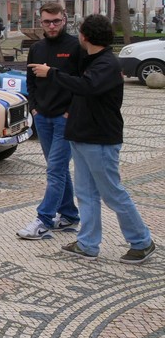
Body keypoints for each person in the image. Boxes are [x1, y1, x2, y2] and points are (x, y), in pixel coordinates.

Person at [28, 14, 156, 263]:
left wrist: (51, 73)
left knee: (112, 193)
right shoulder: (91, 59)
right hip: (81, 136)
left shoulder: (107, 64)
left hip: (101, 140)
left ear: (85, 37)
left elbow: (86, 86)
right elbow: (78, 83)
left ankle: (142, 241)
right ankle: (88, 243)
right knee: (86, 194)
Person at [17, 2, 81, 241]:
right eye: (47, 22)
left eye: (56, 21)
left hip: (65, 119)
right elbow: (30, 81)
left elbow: (82, 83)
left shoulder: (75, 47)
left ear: (64, 19)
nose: (51, 26)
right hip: (42, 117)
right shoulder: (37, 48)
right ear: (40, 21)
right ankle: (69, 215)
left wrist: (70, 111)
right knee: (59, 169)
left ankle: (43, 220)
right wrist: (33, 109)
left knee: (55, 169)